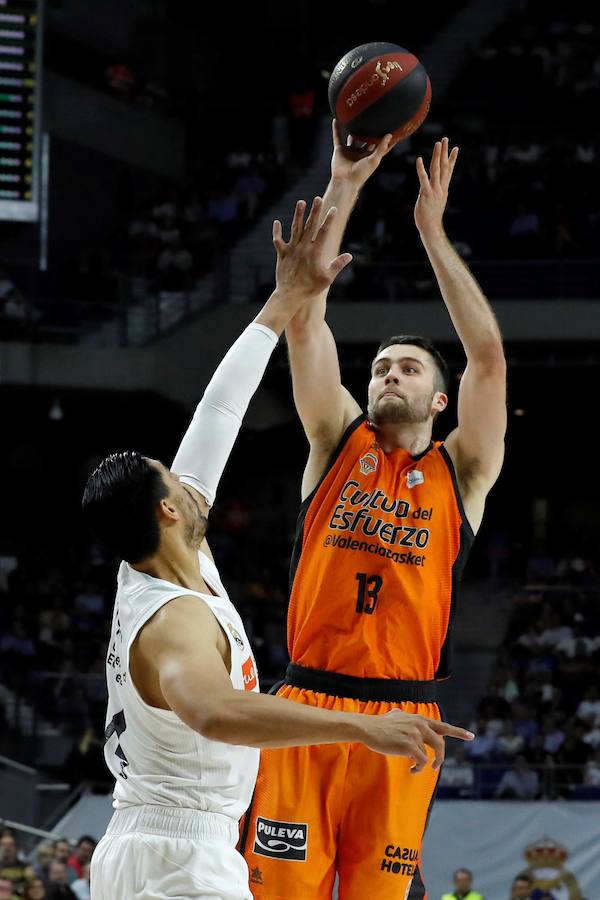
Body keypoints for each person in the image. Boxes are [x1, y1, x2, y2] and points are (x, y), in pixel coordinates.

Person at [83, 197, 473, 900]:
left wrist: (284, 298)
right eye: (178, 479)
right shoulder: (172, 619)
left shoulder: (167, 549)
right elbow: (218, 714)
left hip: (168, 845)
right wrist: (361, 727)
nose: (196, 478)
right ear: (170, 510)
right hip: (176, 858)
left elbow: (218, 411)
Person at [242, 126, 507, 899]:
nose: (390, 373)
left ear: (439, 397)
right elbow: (305, 316)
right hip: (306, 706)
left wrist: (433, 233)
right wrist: (345, 183)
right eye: (382, 367)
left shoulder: (463, 472)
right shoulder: (333, 439)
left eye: (409, 368)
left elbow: (489, 356)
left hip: (404, 717)